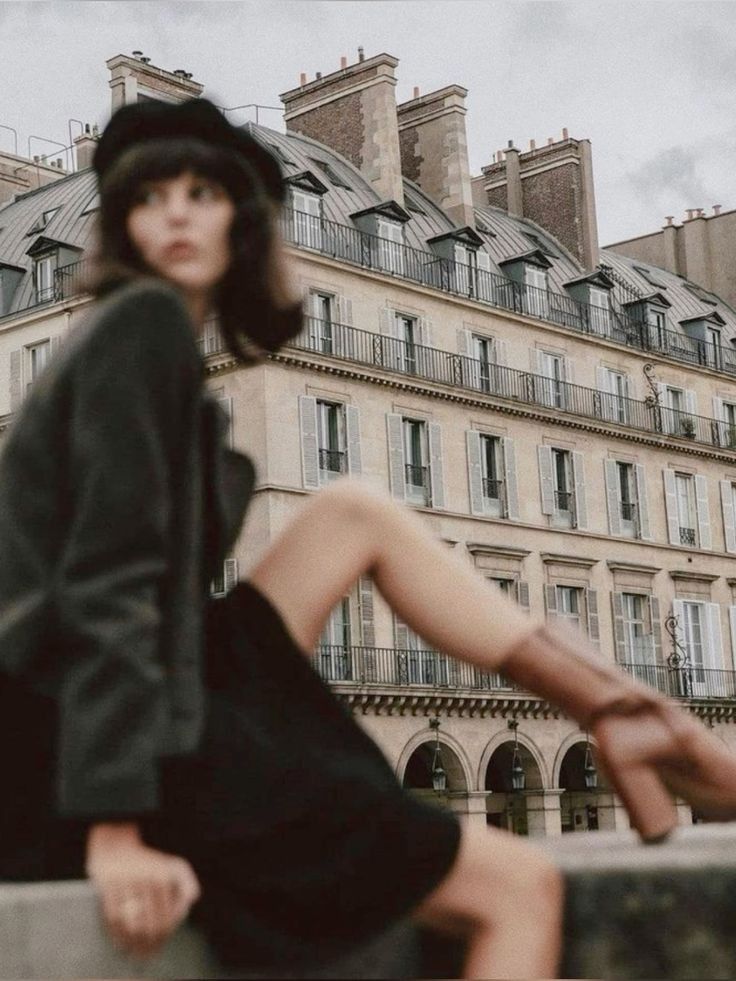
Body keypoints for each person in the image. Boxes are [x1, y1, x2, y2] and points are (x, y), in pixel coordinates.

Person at [2, 98, 736, 981]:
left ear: (242, 218)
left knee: (353, 510)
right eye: (150, 196)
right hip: (79, 739)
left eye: (203, 191)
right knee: (518, 890)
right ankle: (647, 726)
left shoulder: (148, 344)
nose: (177, 213)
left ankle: (627, 715)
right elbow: (106, 586)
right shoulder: (139, 329)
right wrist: (115, 829)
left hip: (145, 691)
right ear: (121, 221)